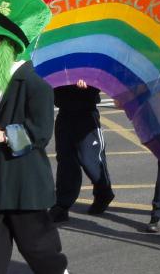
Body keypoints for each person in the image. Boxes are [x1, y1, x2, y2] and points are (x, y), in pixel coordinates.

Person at [0, 0, 68, 274]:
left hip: (23, 182)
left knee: (40, 250)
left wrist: (3, 134)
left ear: (8, 45)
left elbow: (40, 133)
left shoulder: (37, 86)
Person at [49, 80, 115, 223]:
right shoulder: (59, 59)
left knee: (91, 160)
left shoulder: (89, 59)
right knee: (66, 160)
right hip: (64, 113)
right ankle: (62, 205)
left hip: (86, 114)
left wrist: (89, 82)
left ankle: (103, 192)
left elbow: (98, 75)